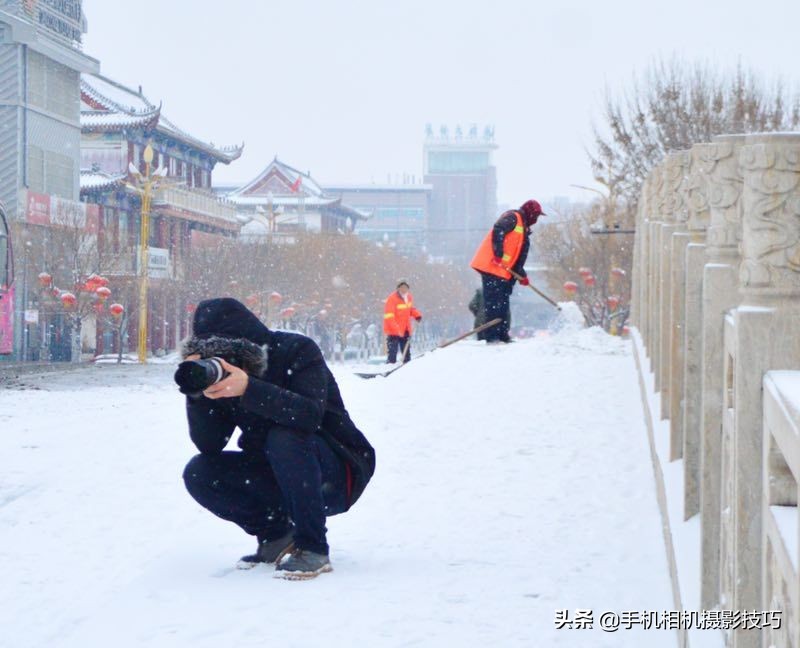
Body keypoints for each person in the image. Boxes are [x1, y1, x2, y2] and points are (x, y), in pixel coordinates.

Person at [179, 298, 375, 580]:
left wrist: (248, 388)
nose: (226, 364)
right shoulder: (222, 380)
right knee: (200, 471)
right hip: (278, 473)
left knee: (285, 436)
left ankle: (313, 548)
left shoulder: (296, 350)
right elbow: (209, 445)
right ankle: (276, 538)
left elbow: (309, 415)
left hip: (338, 470)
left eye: (229, 355)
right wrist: (198, 392)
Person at [469, 199, 544, 343]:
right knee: (494, 304)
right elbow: (498, 229)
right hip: (493, 267)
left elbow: (517, 258)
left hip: (504, 272)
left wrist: (522, 275)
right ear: (530, 213)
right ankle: (492, 336)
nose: (536, 219)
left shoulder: (524, 228)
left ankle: (503, 334)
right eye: (536, 215)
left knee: (503, 304)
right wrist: (498, 254)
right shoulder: (513, 217)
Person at [383, 279, 422, 363]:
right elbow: (389, 316)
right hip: (393, 330)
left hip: (405, 329)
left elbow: (410, 309)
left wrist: (417, 315)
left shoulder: (409, 297)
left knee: (406, 351)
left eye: (405, 288)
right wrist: (396, 329)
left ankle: (406, 366)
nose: (404, 290)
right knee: (392, 352)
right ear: (398, 288)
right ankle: (390, 366)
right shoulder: (392, 299)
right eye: (402, 287)